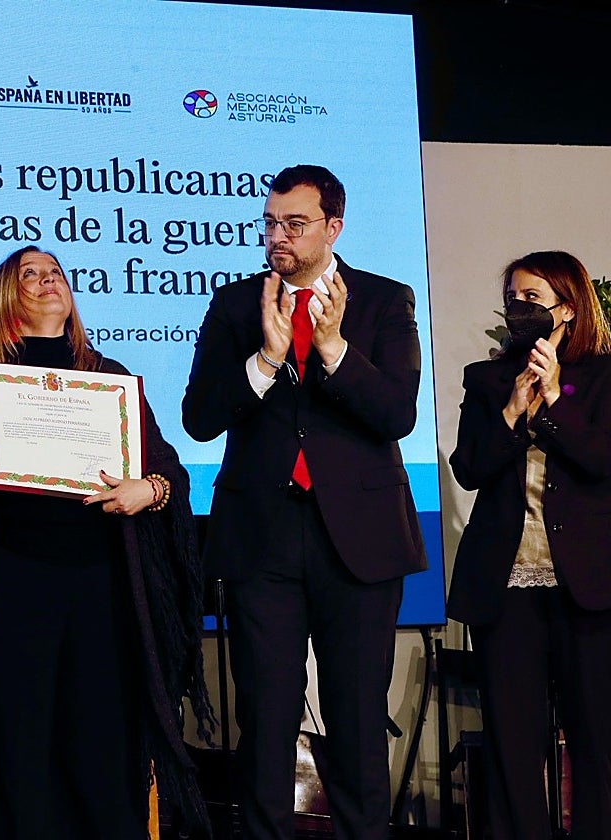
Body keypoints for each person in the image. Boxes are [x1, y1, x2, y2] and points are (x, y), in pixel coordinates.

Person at [0, 245, 214, 840]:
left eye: (55, 273)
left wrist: (150, 489)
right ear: (3, 302)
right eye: (28, 275)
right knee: (16, 758)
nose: (46, 282)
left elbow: (170, 473)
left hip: (101, 594)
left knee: (98, 756)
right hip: (9, 595)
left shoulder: (110, 377)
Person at [182, 164, 426, 840]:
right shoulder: (235, 306)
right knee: (264, 717)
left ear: (333, 227)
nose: (276, 235)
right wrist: (262, 361)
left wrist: (335, 349)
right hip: (262, 534)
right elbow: (199, 417)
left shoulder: (383, 300)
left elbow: (396, 413)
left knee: (354, 717)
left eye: (294, 222)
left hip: (358, 536)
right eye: (269, 222)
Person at [449, 251, 611, 840]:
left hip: (588, 587)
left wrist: (555, 405)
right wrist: (515, 411)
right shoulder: (487, 379)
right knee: (514, 746)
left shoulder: (602, 377)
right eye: (512, 299)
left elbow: (600, 459)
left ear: (567, 308)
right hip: (507, 584)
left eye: (533, 299)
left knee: (597, 741)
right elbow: (469, 468)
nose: (520, 310)